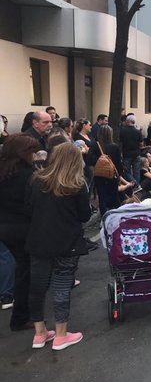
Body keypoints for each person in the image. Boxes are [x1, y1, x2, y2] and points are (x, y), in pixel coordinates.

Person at [26, 142, 91, 351]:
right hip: (66, 242)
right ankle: (61, 335)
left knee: (37, 287)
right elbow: (84, 215)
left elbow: (28, 209)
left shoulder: (36, 180)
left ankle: (40, 333)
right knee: (61, 287)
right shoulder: (77, 184)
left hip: (38, 240)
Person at [0, 134, 39, 329]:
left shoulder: (4, 171)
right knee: (25, 272)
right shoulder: (27, 175)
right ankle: (21, 316)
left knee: (19, 267)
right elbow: (32, 205)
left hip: (4, 227)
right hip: (23, 228)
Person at [119, 114, 144, 185]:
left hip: (127, 154)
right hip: (136, 153)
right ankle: (137, 186)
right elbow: (141, 144)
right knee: (136, 171)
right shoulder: (138, 132)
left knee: (126, 171)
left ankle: (134, 183)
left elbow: (120, 143)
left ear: (127, 121)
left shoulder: (122, 131)